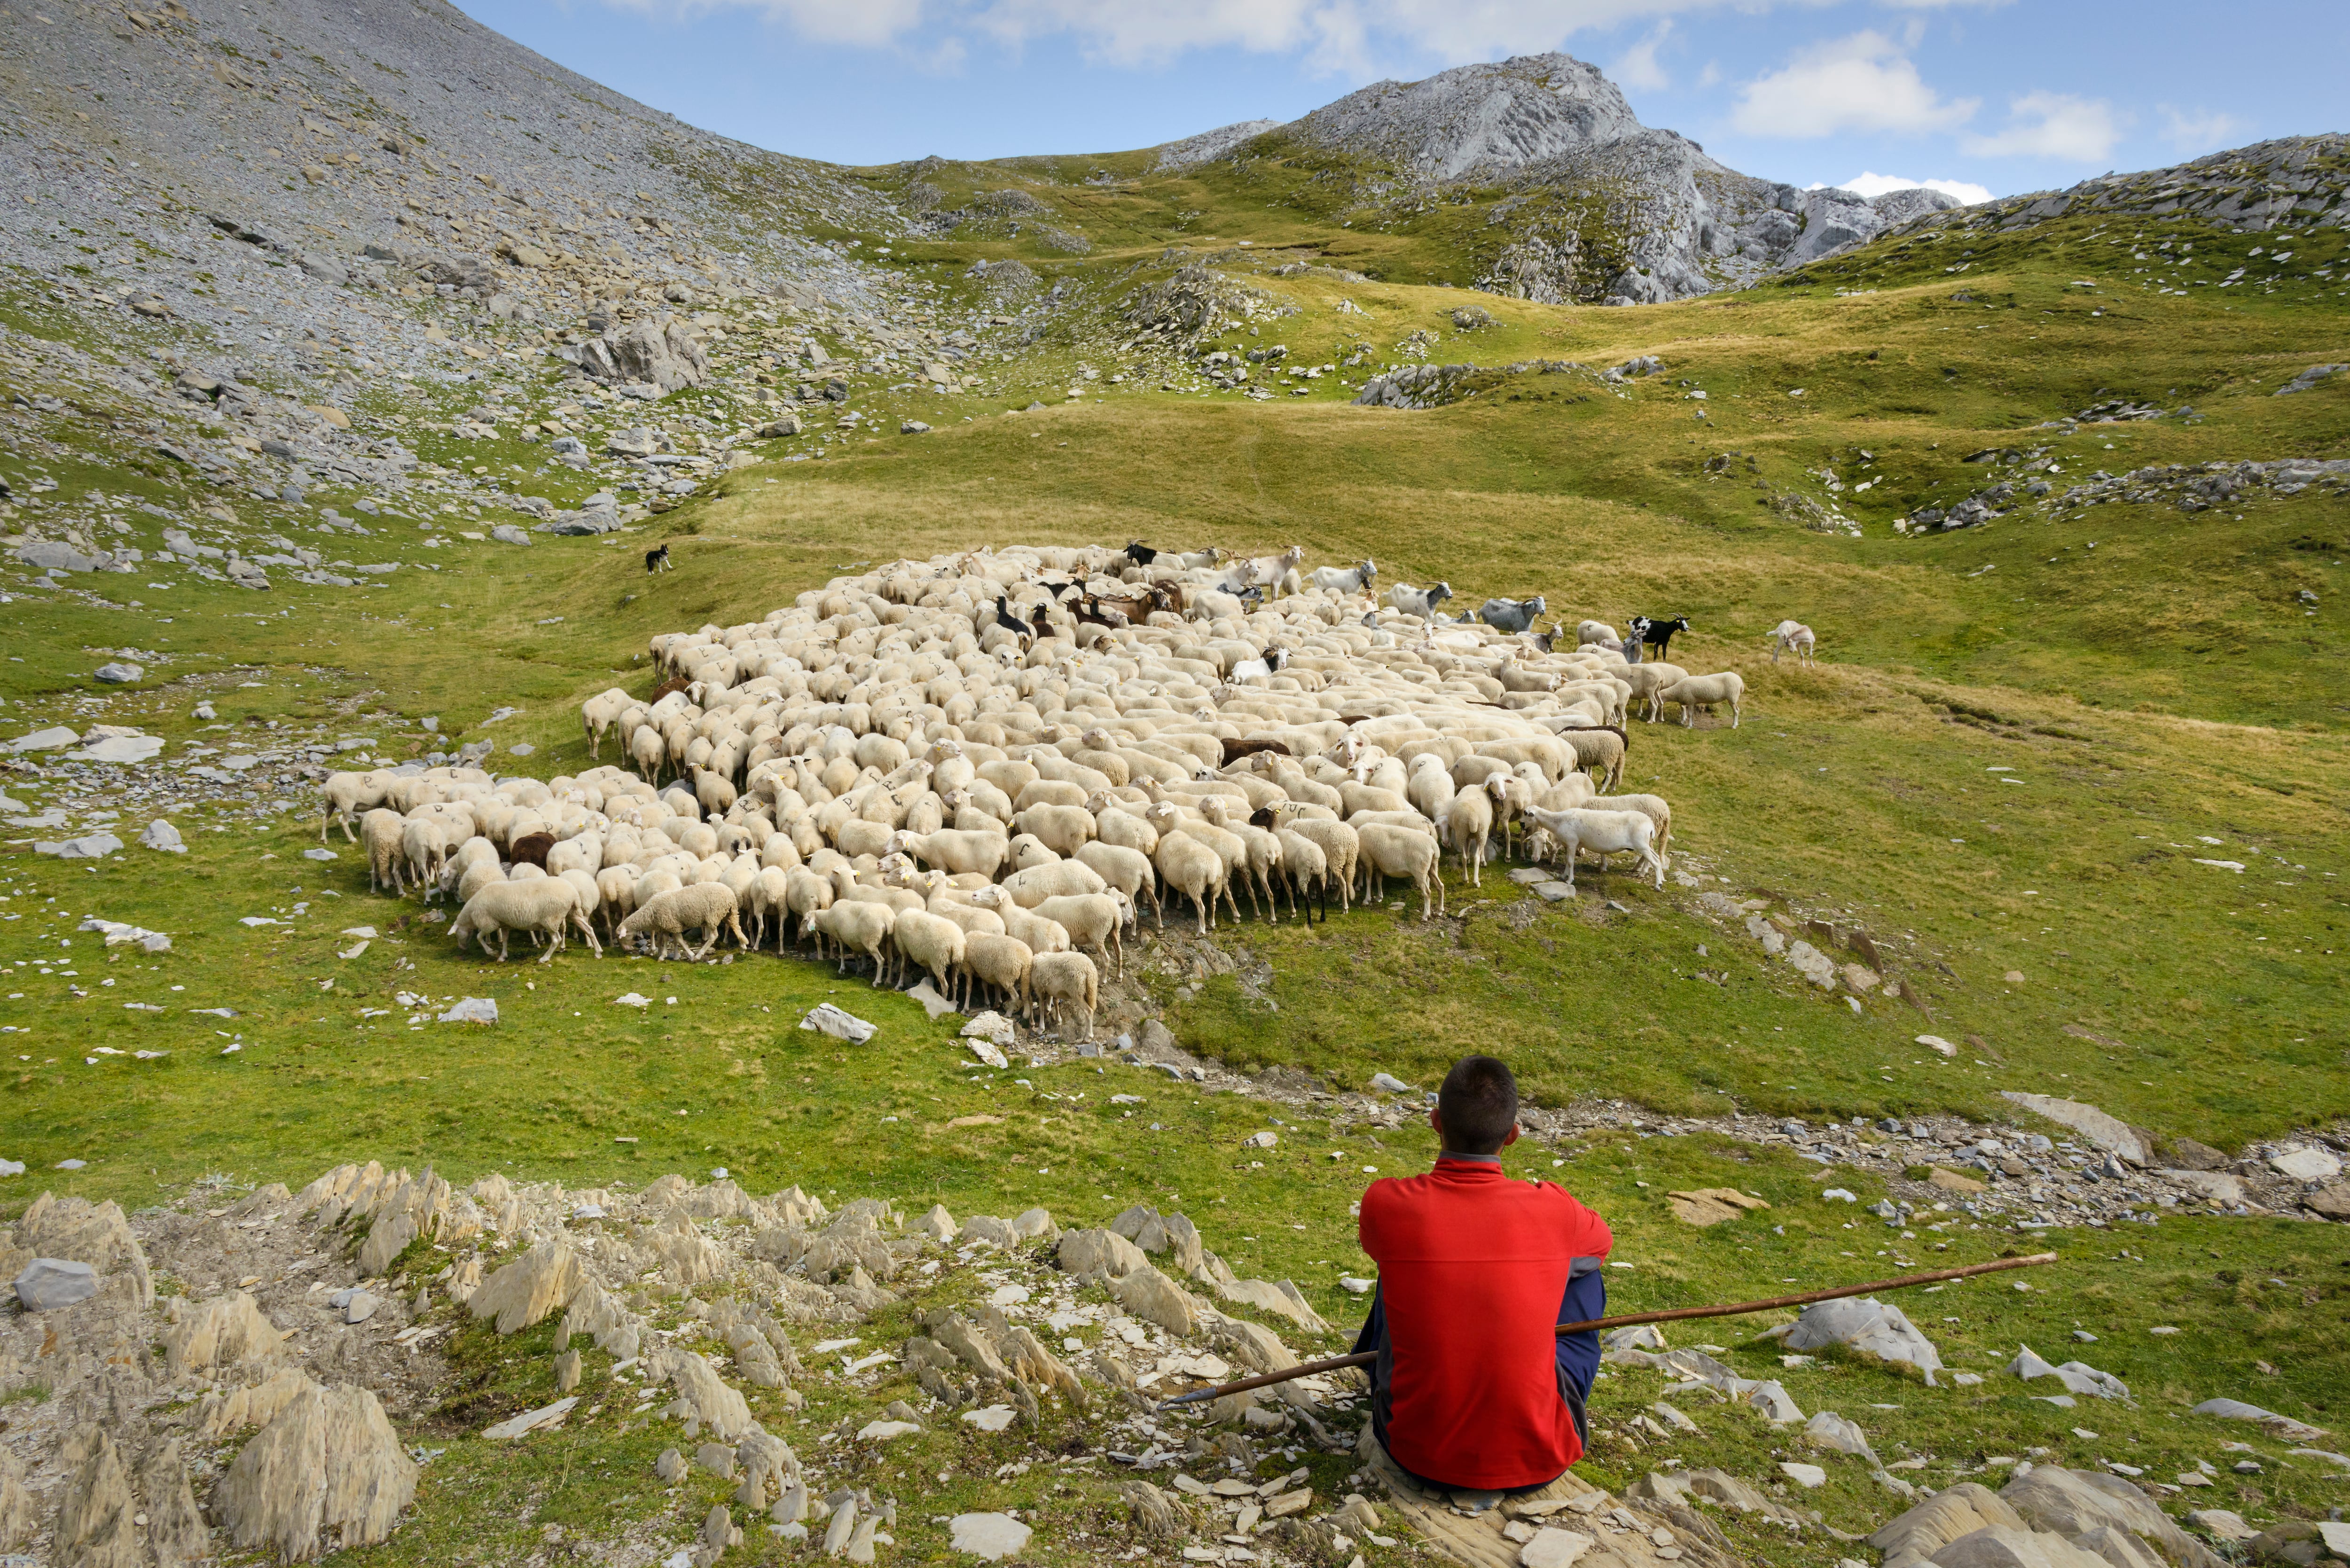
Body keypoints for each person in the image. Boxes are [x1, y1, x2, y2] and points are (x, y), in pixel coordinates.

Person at [1352, 1054, 1613, 1492]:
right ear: (1512, 1135)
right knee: (1584, 1272)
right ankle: (1531, 1399)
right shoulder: (1554, 1209)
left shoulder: (1387, 1205)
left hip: (1414, 1452)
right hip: (1540, 1461)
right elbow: (1600, 1245)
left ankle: (1377, 1370)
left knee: (1396, 1261)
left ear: (1436, 1121)